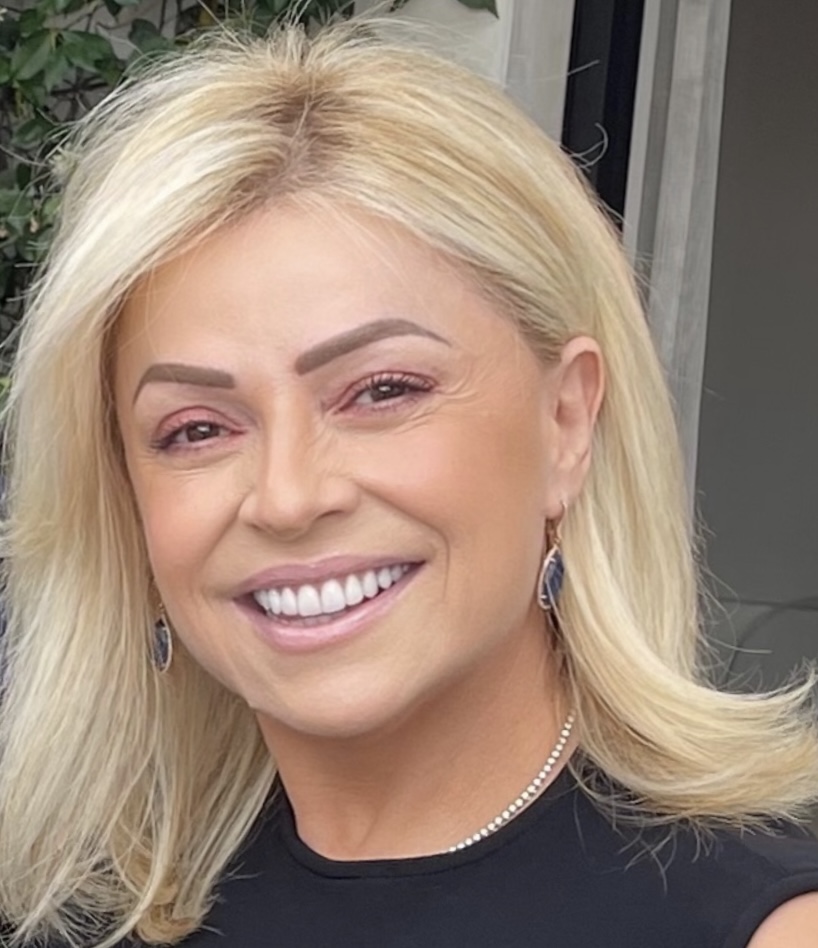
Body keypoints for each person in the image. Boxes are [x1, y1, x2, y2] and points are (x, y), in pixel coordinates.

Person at [1, 17, 818, 948]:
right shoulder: (75, 912)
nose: (287, 497)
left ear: (565, 422)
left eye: (383, 390)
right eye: (196, 429)